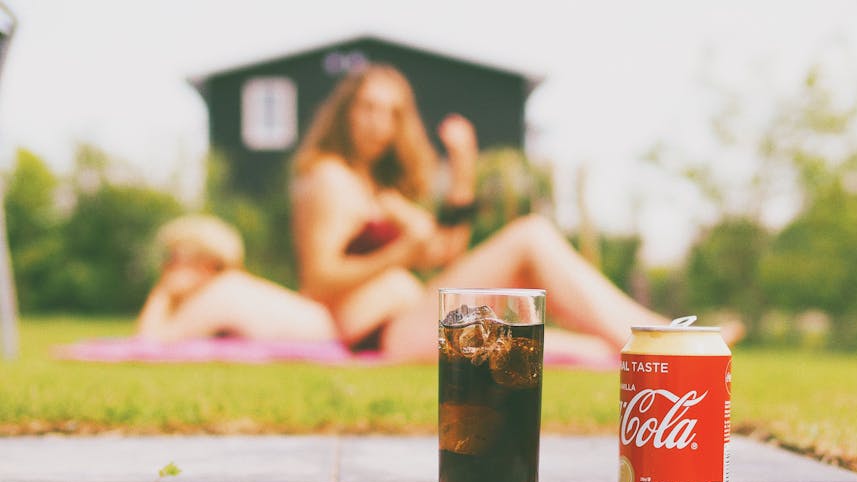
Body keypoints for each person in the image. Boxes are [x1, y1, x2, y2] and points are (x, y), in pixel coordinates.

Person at [290, 64, 742, 362]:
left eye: (390, 113)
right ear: (345, 112)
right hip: (383, 334)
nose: (377, 123)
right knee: (530, 236)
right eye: (367, 108)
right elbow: (318, 282)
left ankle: (657, 349)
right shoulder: (330, 179)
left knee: (589, 353)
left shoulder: (377, 189)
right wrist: (400, 252)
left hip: (415, 321)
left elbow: (444, 252)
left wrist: (463, 172)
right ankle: (662, 338)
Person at [137, 214, 337, 342]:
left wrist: (163, 292)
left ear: (208, 263)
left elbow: (151, 341)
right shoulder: (231, 287)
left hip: (321, 335)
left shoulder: (218, 294)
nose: (167, 268)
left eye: (174, 259)